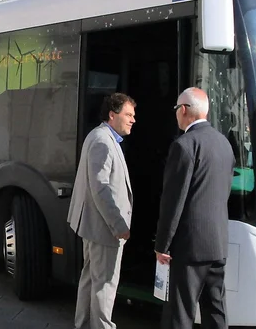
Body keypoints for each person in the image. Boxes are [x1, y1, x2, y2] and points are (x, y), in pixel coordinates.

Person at [154, 87, 234, 329]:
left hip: (190, 247)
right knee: (216, 310)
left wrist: (162, 245)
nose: (176, 114)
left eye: (177, 109)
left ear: (184, 110)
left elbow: (173, 201)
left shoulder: (184, 145)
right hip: (217, 243)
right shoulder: (224, 143)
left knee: (180, 312)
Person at [67, 93, 136, 329]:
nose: (132, 120)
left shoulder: (101, 137)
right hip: (104, 229)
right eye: (128, 114)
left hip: (94, 226)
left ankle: (83, 324)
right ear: (112, 114)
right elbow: (101, 189)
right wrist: (118, 225)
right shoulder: (103, 141)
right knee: (104, 285)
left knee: (90, 279)